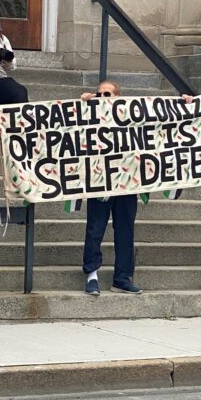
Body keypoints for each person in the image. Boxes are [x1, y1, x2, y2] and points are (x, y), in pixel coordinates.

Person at [80, 80, 142, 296]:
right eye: (100, 94)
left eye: (108, 95)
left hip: (126, 182)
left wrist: (187, 106)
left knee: (125, 231)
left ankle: (122, 278)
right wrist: (83, 106)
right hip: (100, 180)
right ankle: (92, 275)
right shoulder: (91, 115)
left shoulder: (131, 117)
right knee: (95, 228)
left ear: (118, 97)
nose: (103, 98)